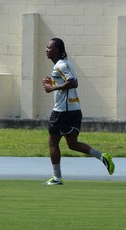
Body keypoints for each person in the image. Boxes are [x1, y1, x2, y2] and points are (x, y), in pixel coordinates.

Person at [42, 38, 115, 185]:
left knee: (52, 143)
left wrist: (52, 88)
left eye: (49, 47)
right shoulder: (64, 63)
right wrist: (54, 83)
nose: (46, 49)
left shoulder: (60, 65)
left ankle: (57, 178)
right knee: (72, 144)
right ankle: (102, 156)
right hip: (73, 109)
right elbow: (69, 82)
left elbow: (73, 83)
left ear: (56, 50)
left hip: (62, 111)